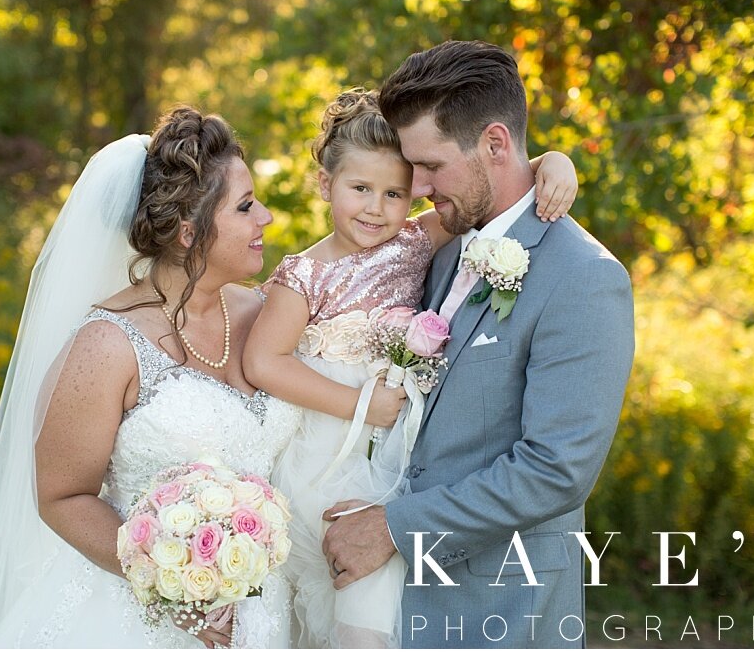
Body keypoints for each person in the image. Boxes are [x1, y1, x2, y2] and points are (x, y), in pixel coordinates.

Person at [320, 40, 635, 648]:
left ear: (494, 143)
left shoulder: (585, 278)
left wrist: (394, 528)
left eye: (431, 166)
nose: (415, 187)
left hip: (502, 610)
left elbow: (556, 469)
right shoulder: (441, 251)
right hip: (395, 604)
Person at [0, 106, 302, 649]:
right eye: (246, 207)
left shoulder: (265, 313)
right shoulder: (107, 345)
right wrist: (176, 582)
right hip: (139, 616)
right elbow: (62, 495)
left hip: (267, 608)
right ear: (189, 232)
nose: (267, 219)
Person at [243, 89, 578, 648]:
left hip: (403, 450)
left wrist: (556, 163)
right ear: (326, 185)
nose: (376, 208)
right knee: (353, 588)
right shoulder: (304, 274)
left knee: (395, 586)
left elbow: (503, 174)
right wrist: (360, 405)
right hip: (330, 448)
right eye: (360, 189)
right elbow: (263, 361)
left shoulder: (413, 241)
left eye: (394, 193)